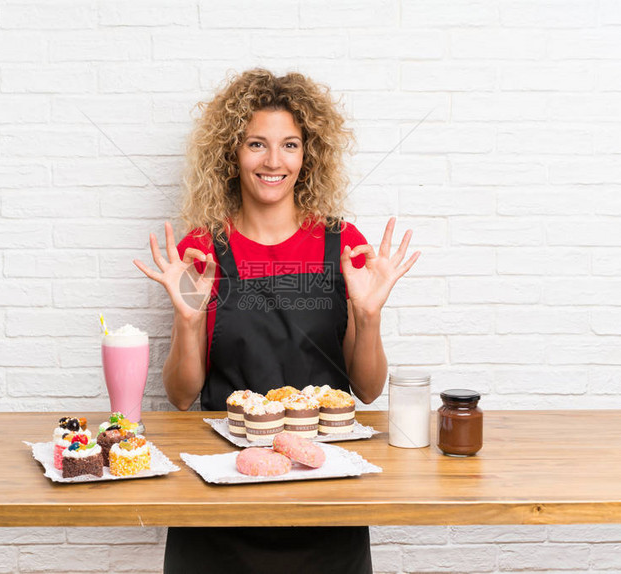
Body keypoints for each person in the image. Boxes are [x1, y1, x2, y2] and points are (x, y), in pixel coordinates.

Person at [134, 68, 420, 574]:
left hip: (325, 495)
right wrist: (187, 321)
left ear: (307, 156)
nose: (273, 161)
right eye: (256, 144)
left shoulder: (342, 241)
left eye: (289, 144)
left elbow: (369, 391)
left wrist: (368, 316)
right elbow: (181, 396)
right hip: (221, 500)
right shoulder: (199, 251)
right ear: (232, 153)